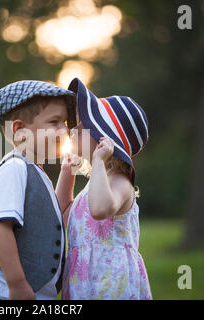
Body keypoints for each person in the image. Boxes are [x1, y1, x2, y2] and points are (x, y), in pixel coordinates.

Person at [0, 80, 76, 300]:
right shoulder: (14, 168)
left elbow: (52, 217)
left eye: (65, 122)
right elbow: (1, 229)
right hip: (7, 294)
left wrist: (68, 172)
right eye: (54, 122)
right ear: (20, 130)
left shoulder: (35, 171)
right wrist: (17, 284)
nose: (65, 129)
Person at [56, 78, 152, 300]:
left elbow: (99, 210)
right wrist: (67, 173)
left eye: (80, 127)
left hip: (111, 285)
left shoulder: (121, 183)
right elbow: (63, 213)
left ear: (103, 139)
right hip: (82, 284)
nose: (72, 132)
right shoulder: (93, 185)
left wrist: (98, 161)